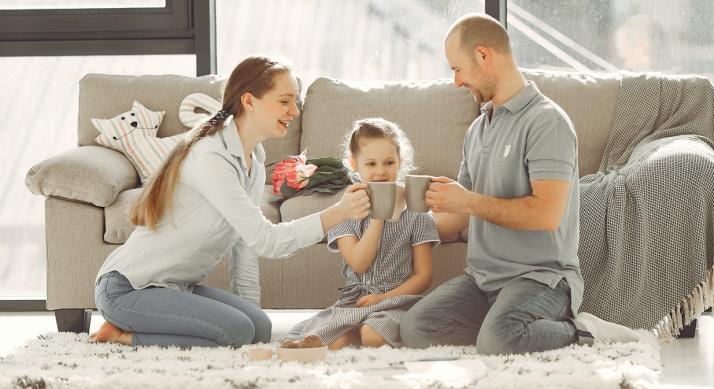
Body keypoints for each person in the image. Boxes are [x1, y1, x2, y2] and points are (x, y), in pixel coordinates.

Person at [89, 56, 370, 348]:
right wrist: (338, 213)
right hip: (128, 288)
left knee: (257, 328)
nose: (295, 111)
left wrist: (250, 320)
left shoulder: (253, 162)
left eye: (295, 102)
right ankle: (124, 335)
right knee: (236, 332)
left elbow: (245, 247)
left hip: (174, 287)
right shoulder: (211, 157)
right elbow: (267, 241)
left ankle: (215, 327)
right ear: (249, 101)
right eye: (285, 101)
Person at [400, 13, 639, 355]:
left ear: (483, 56)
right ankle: (503, 325)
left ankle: (583, 331)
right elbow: (457, 219)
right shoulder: (478, 129)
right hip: (482, 279)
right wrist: (404, 218)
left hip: (540, 278)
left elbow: (546, 214)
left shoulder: (547, 122)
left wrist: (466, 201)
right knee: (416, 328)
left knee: (499, 340)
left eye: (457, 69)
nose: (456, 82)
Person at [288, 118, 439, 349]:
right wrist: (379, 216)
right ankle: (351, 329)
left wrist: (383, 298)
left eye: (389, 162)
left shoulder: (415, 211)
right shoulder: (345, 211)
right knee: (326, 341)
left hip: (396, 301)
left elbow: (423, 277)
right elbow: (359, 263)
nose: (381, 171)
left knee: (373, 336)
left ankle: (362, 329)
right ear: (354, 164)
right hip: (356, 300)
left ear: (401, 162)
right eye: (371, 164)